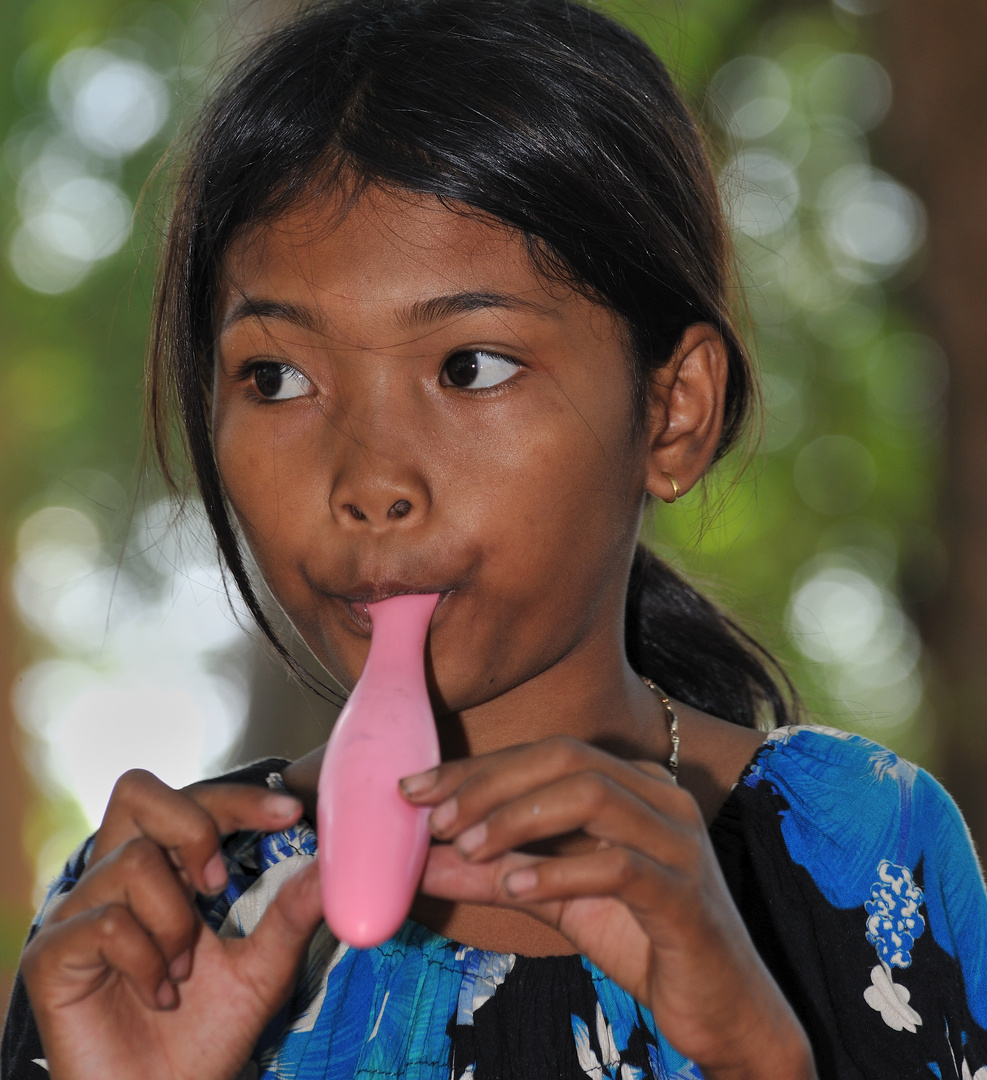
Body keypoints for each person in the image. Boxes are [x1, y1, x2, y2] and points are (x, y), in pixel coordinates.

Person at [3, 0, 986, 1076]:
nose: (370, 482)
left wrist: (757, 1057)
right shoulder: (150, 922)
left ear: (673, 412)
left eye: (470, 365)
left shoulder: (859, 852)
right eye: (277, 377)